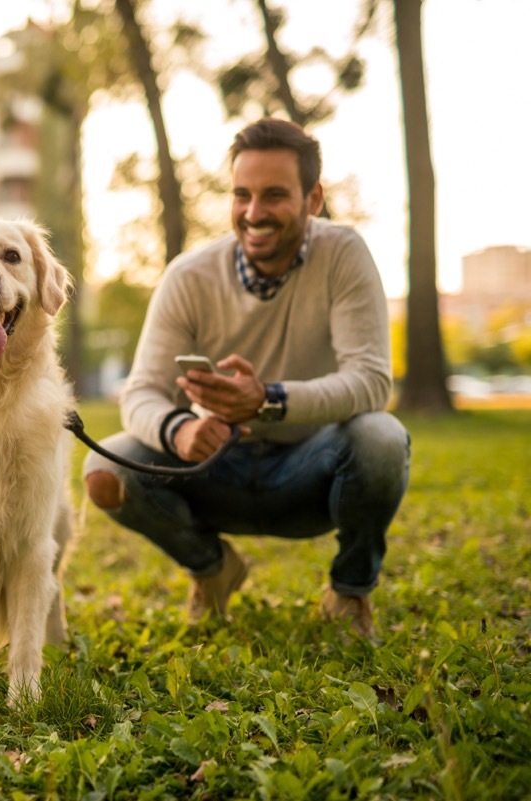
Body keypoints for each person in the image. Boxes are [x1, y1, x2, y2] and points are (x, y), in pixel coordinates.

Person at [83, 117, 410, 638]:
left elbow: (372, 381)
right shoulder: (189, 276)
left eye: (275, 195)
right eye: (241, 195)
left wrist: (268, 399)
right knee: (105, 468)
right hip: (215, 471)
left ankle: (349, 593)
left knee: (382, 438)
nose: (254, 213)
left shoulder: (343, 254)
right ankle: (212, 570)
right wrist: (180, 430)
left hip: (313, 472)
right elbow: (141, 391)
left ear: (313, 198)